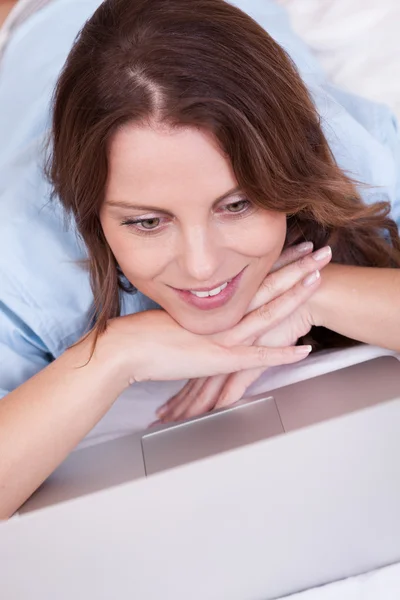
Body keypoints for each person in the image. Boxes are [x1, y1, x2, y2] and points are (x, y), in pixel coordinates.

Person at [0, 0, 399, 518]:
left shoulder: (355, 152)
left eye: (238, 205)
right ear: (90, 211)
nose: (202, 266)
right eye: (146, 222)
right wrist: (118, 353)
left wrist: (309, 294)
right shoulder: (24, 251)